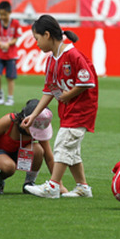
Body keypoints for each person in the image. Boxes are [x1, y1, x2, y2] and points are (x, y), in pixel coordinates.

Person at [22, 15, 98, 199]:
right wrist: (33, 116)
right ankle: (82, 187)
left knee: (62, 146)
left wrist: (67, 95)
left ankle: (53, 186)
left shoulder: (73, 55)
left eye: (37, 39)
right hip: (68, 111)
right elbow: (49, 91)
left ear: (47, 35)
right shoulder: (52, 60)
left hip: (81, 111)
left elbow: (88, 81)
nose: (37, 44)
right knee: (71, 151)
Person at [0, 99, 68, 194]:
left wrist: (58, 184)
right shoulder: (9, 121)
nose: (37, 133)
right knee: (8, 167)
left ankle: (29, 183)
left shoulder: (39, 127)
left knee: (38, 149)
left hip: (19, 153)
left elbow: (49, 158)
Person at [0, 0, 22, 107]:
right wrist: (1, 43)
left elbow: (17, 37)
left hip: (11, 55)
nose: (2, 16)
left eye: (4, 14)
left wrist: (8, 44)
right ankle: (0, 92)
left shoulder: (15, 23)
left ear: (10, 12)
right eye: (0, 14)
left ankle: (10, 98)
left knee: (10, 77)